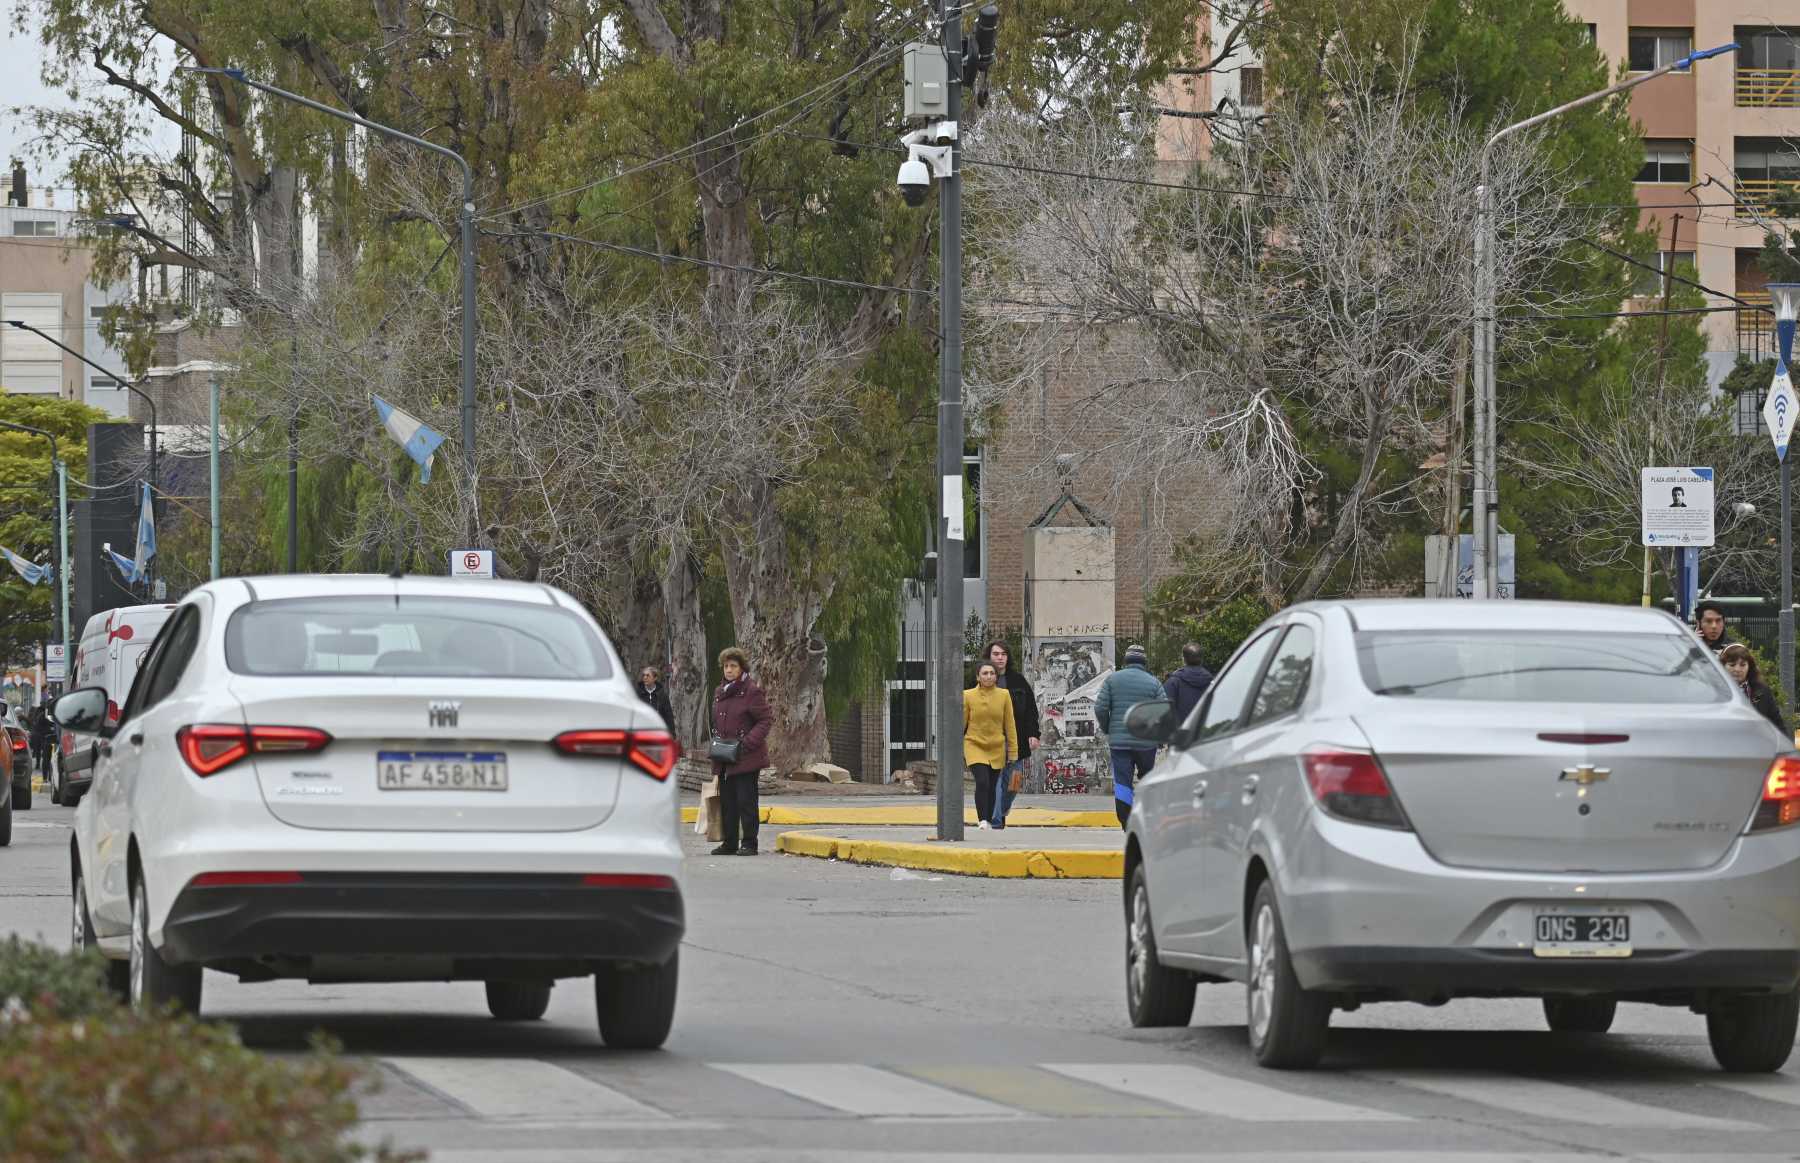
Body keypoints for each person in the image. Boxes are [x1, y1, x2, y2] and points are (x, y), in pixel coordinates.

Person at [709, 648, 773, 856]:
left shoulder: (751, 691)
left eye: (733, 666)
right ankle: (729, 842)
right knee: (727, 801)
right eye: (726, 666)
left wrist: (748, 743)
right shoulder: (720, 691)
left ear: (741, 668)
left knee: (746, 801)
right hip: (725, 756)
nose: (729, 670)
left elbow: (765, 720)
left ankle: (749, 843)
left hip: (746, 756)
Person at [1094, 644, 1166, 829]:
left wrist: (1108, 727)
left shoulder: (1113, 680)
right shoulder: (1153, 682)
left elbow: (1100, 707)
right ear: (1144, 661)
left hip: (1119, 743)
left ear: (1126, 661)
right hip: (1145, 742)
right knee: (1147, 778)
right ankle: (1147, 815)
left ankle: (1126, 822)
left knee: (1123, 782)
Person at [985, 641, 1039, 829]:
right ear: (989, 657)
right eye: (996, 654)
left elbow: (1031, 709)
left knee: (1014, 783)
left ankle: (1002, 810)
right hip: (991, 741)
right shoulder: (982, 681)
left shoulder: (1018, 681)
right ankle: (997, 820)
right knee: (997, 781)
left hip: (1016, 741)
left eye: (1003, 654)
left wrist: (1033, 734)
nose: (1000, 657)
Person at [962, 662, 1018, 832]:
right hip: (974, 744)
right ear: (978, 677)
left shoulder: (1004, 695)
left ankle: (990, 817)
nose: (988, 676)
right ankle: (983, 819)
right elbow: (962, 723)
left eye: (992, 673)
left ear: (996, 676)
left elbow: (1010, 725)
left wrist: (1013, 751)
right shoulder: (967, 695)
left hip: (996, 746)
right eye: (984, 673)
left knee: (993, 785)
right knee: (982, 781)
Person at [1721, 644, 1789, 736]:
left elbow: (1778, 725)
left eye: (1743, 665)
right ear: (1722, 666)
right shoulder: (1714, 692)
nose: (1737, 669)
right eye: (1732, 665)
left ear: (1749, 667)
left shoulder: (1762, 691)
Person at [1163, 642, 1214, 727]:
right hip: (1205, 733)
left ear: (1183, 659)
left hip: (1181, 735)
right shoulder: (1213, 682)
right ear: (1202, 659)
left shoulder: (1173, 682)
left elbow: (1165, 710)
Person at [634, 665, 677, 735]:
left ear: (655, 678)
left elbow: (668, 716)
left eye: (648, 675)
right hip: (641, 733)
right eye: (644, 675)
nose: (645, 677)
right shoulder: (637, 694)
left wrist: (671, 734)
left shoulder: (662, 695)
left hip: (657, 733)